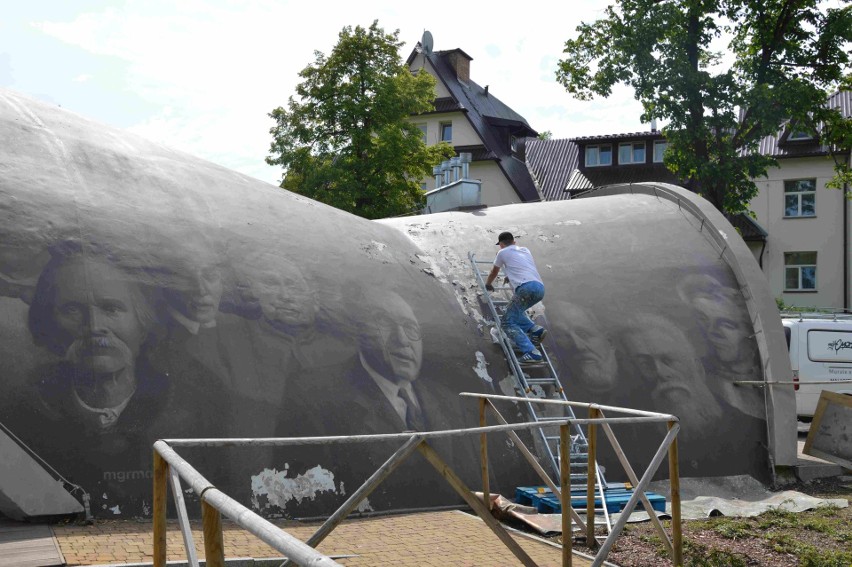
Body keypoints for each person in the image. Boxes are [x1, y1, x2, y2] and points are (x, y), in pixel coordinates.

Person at [484, 231, 547, 364]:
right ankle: (534, 329)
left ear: (501, 244)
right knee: (516, 312)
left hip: (525, 288)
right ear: (514, 241)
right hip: (539, 288)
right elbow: (522, 266)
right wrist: (510, 275)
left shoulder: (502, 252)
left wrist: (488, 284)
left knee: (507, 322)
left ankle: (531, 352)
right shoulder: (525, 250)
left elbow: (494, 271)